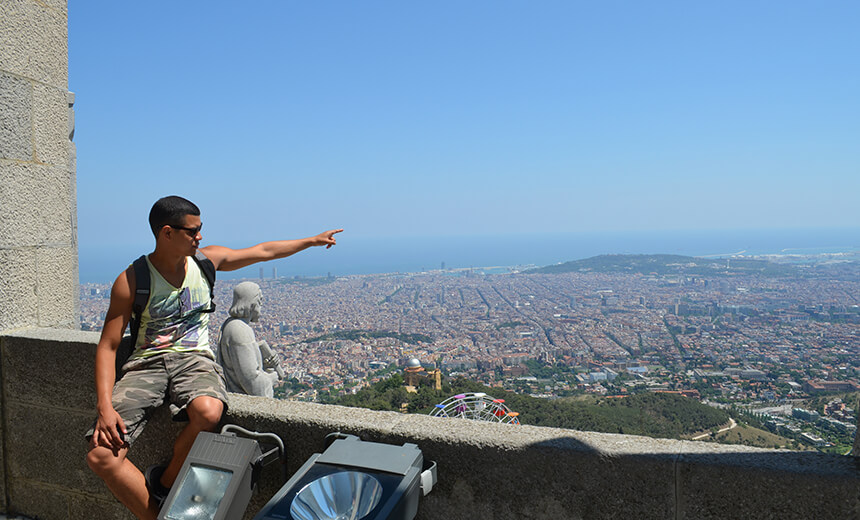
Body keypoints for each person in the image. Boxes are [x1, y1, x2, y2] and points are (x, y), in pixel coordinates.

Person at [85, 195, 342, 519]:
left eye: (200, 229)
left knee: (208, 412)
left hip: (194, 360)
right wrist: (105, 407)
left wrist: (310, 241)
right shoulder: (133, 279)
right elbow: (108, 345)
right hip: (147, 363)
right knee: (101, 457)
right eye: (192, 231)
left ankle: (163, 483)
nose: (200, 237)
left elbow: (262, 251)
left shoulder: (206, 264)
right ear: (167, 233)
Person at [217, 281, 281, 397]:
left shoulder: (231, 324)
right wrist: (271, 379)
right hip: (241, 399)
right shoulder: (240, 331)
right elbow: (251, 379)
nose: (261, 305)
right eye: (260, 301)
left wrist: (266, 363)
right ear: (252, 303)